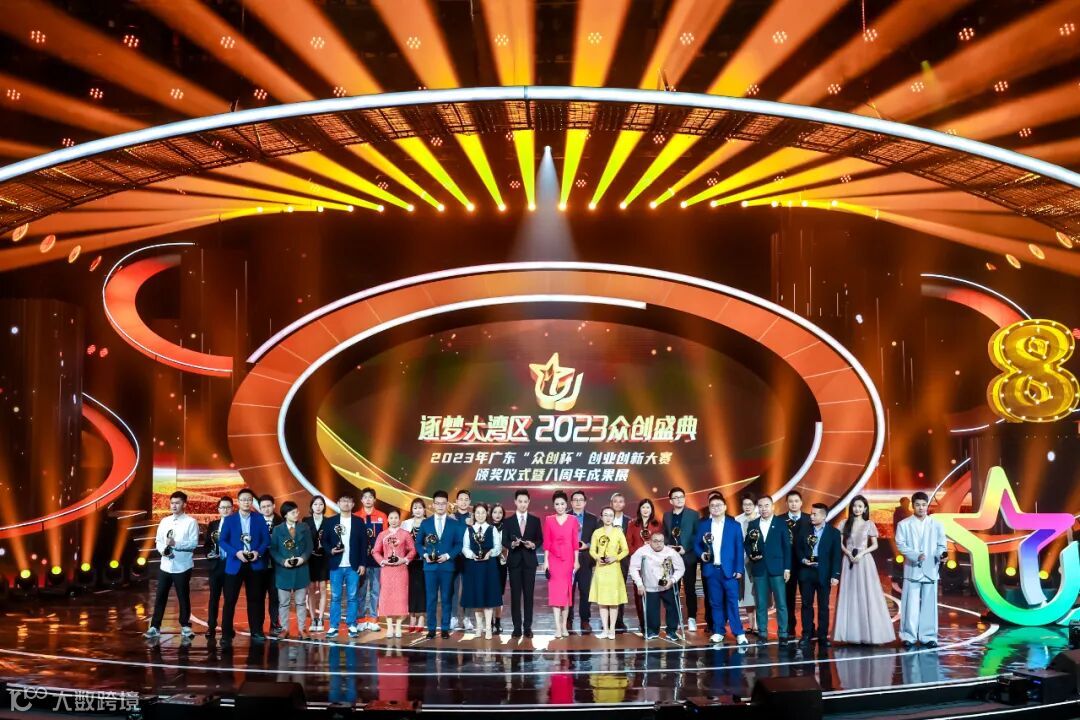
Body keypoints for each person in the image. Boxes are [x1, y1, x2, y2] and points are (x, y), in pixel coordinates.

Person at [834, 495, 895, 645]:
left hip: (864, 561)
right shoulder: (844, 523)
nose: (857, 509)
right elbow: (839, 543)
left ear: (865, 508)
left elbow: (875, 545)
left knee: (866, 593)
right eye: (855, 506)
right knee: (849, 594)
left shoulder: (869, 524)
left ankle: (870, 633)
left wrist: (861, 553)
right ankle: (850, 634)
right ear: (851, 507)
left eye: (860, 506)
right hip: (848, 560)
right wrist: (848, 553)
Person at [218, 488, 272, 644]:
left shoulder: (259, 518)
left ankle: (256, 630)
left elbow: (266, 540)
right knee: (230, 600)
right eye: (243, 500)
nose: (246, 502)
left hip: (255, 564)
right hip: (235, 563)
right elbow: (222, 541)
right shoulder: (230, 520)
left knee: (256, 599)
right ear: (238, 502)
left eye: (249, 499)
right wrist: (236, 553)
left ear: (252, 502)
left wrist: (258, 552)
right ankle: (226, 633)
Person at [694, 493, 748, 646]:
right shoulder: (704, 525)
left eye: (718, 505)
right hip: (712, 570)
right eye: (712, 506)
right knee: (715, 603)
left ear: (725, 507)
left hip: (729, 571)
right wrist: (702, 554)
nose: (715, 508)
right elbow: (696, 544)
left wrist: (739, 569)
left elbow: (739, 548)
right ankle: (718, 631)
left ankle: (739, 632)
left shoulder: (734, 525)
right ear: (709, 508)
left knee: (732, 603)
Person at [895, 491, 947, 648]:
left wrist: (941, 555)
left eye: (924, 505)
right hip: (912, 569)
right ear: (913, 506)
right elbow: (900, 544)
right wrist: (916, 555)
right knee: (910, 605)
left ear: (927, 506)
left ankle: (928, 636)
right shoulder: (904, 524)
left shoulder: (937, 524)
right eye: (918, 505)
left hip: (931, 569)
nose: (921, 508)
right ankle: (908, 636)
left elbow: (941, 545)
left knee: (929, 605)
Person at [145, 491, 199, 640]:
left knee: (183, 596)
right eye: (172, 503)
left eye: (177, 503)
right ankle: (155, 626)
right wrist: (164, 551)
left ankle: (185, 626)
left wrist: (176, 544)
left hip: (183, 566)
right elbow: (159, 541)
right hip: (166, 566)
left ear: (184, 504)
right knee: (160, 596)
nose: (174, 506)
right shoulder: (165, 521)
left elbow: (193, 544)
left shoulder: (191, 522)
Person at [419, 490, 465, 638]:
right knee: (431, 599)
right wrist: (425, 555)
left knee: (446, 598)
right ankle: (431, 629)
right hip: (430, 568)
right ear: (433, 505)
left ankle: (445, 628)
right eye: (437, 503)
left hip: (447, 567)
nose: (440, 506)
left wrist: (447, 556)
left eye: (443, 503)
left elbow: (459, 544)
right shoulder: (425, 523)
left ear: (447, 505)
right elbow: (418, 543)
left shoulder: (454, 524)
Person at [795, 502, 842, 646]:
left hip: (824, 574)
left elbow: (836, 556)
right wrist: (803, 559)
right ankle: (807, 634)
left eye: (815, 514)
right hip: (807, 573)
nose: (811, 516)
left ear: (824, 516)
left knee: (823, 606)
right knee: (806, 605)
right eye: (811, 513)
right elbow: (797, 548)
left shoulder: (834, 533)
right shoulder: (804, 529)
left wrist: (835, 575)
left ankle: (823, 636)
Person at [746, 495, 791, 642]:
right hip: (759, 568)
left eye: (766, 505)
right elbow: (747, 544)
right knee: (761, 603)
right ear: (757, 508)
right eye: (760, 506)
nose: (763, 509)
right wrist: (752, 555)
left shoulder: (781, 523)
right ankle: (762, 633)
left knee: (781, 603)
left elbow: (787, 547)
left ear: (773, 507)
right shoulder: (753, 524)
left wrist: (787, 568)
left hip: (777, 569)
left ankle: (783, 633)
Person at [322, 492, 366, 638]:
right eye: (343, 501)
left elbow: (363, 544)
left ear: (353, 504)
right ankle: (333, 626)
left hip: (353, 565)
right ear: (338, 503)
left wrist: (362, 564)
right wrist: (331, 550)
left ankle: (352, 624)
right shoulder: (330, 521)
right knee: (335, 596)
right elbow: (324, 541)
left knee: (352, 596)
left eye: (349, 501)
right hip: (336, 565)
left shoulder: (359, 522)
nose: (346, 503)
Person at [629, 531, 686, 640]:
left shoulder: (670, 552)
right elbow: (633, 567)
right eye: (655, 541)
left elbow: (680, 568)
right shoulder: (642, 551)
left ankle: (671, 631)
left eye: (661, 541)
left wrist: (672, 580)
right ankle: (652, 630)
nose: (658, 544)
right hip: (650, 586)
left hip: (667, 585)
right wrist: (639, 584)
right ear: (650, 541)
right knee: (652, 610)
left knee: (672, 608)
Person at [269, 501, 313, 640]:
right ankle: (284, 629)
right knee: (283, 603)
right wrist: (283, 561)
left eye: (297, 511)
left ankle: (302, 629)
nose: (296, 514)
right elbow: (273, 549)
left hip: (301, 570)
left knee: (301, 602)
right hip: (284, 571)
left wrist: (302, 559)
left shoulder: (304, 527)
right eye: (293, 512)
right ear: (285, 515)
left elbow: (309, 547)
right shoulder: (278, 529)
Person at [504, 488, 543, 638]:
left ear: (529, 502)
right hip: (514, 562)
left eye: (525, 501)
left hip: (529, 563)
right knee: (515, 596)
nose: (522, 504)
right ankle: (516, 628)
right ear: (515, 502)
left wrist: (533, 545)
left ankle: (527, 627)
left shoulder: (535, 520)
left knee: (528, 596)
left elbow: (540, 539)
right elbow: (504, 540)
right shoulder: (508, 521)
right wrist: (512, 544)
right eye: (520, 501)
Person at [372, 508, 417, 638]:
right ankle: (390, 626)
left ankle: (398, 626)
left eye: (396, 517)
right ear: (387, 520)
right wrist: (383, 561)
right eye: (391, 518)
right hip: (387, 571)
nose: (393, 520)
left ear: (399, 520)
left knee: (401, 598)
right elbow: (375, 551)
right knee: (386, 598)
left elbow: (413, 550)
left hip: (401, 570)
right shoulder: (382, 534)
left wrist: (404, 559)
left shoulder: (405, 534)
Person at [461, 503, 503, 639]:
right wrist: (471, 555)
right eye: (478, 512)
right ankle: (479, 627)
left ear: (487, 514)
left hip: (489, 567)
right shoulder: (469, 530)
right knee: (477, 597)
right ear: (474, 514)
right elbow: (465, 547)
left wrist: (490, 553)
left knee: (488, 597)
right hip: (473, 566)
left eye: (483, 512)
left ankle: (488, 628)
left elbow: (498, 547)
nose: (480, 515)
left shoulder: (492, 529)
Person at [543, 491, 580, 638]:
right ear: (554, 505)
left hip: (568, 559)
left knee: (565, 594)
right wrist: (546, 562)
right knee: (555, 594)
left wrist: (576, 560)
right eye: (557, 504)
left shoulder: (572, 520)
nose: (560, 506)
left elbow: (575, 542)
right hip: (554, 559)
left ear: (566, 504)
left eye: (562, 504)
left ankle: (564, 626)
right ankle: (557, 627)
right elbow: (547, 542)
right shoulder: (549, 520)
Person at [663, 487, 701, 633]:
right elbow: (666, 535)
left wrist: (686, 548)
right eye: (676, 497)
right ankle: (675, 619)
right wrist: (667, 547)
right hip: (672, 558)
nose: (679, 499)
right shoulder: (667, 516)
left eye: (681, 497)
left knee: (690, 589)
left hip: (688, 556)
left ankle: (691, 618)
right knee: (674, 589)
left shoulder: (693, 514)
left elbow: (697, 535)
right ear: (670, 501)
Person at [589, 507, 629, 639]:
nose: (608, 518)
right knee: (602, 601)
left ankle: (612, 630)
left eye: (611, 515)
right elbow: (592, 550)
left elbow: (625, 550)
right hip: (601, 569)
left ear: (613, 517)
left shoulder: (618, 532)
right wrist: (597, 558)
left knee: (613, 601)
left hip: (614, 570)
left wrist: (615, 558)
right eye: (605, 515)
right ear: (601, 517)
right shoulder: (597, 532)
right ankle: (605, 630)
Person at [627, 499, 662, 632]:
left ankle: (654, 624)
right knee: (639, 594)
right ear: (639, 509)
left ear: (651, 509)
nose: (645, 510)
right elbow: (628, 543)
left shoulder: (657, 524)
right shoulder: (632, 524)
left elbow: (661, 543)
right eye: (643, 507)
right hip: (638, 564)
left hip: (654, 564)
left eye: (648, 507)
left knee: (654, 595)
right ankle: (643, 624)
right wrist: (639, 553)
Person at [356, 487, 388, 632]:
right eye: (365, 497)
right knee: (361, 591)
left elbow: (386, 538)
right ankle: (361, 620)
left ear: (374, 499)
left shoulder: (382, 516)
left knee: (376, 591)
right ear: (361, 500)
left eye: (370, 497)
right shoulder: (356, 516)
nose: (368, 500)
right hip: (361, 561)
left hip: (377, 560)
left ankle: (374, 619)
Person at [568, 490, 599, 634]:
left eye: (581, 500)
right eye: (575, 499)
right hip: (568, 559)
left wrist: (588, 545)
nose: (578, 502)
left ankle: (585, 620)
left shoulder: (593, 519)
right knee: (569, 590)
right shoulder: (565, 517)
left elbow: (597, 539)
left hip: (586, 558)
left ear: (585, 502)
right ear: (571, 502)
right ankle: (568, 619)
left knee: (585, 591)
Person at [782, 491, 811, 639]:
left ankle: (809, 629)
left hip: (806, 565)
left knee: (807, 598)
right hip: (787, 566)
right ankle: (789, 627)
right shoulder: (780, 520)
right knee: (788, 598)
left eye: (796, 501)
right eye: (790, 501)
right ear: (786, 503)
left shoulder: (809, 519)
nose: (793, 504)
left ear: (801, 503)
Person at [203, 496, 232, 640]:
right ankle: (211, 626)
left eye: (228, 507)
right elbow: (207, 544)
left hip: (231, 566)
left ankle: (228, 627)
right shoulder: (213, 525)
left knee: (229, 599)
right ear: (218, 509)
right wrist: (208, 554)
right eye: (222, 507)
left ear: (232, 509)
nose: (225, 510)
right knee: (213, 598)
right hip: (216, 566)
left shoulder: (237, 525)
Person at [257, 494, 284, 635]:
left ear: (274, 506)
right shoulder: (255, 522)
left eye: (268, 506)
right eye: (263, 507)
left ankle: (274, 623)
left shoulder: (282, 522)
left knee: (275, 596)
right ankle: (258, 626)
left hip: (276, 565)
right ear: (260, 508)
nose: (266, 509)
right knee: (259, 596)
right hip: (259, 564)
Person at [303, 495, 329, 633]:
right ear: (311, 506)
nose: (318, 507)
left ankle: (321, 618)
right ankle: (313, 618)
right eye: (315, 504)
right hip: (310, 559)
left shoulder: (328, 521)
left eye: (320, 504)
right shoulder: (305, 521)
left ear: (324, 506)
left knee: (323, 588)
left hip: (324, 558)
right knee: (311, 588)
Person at [401, 497, 428, 632]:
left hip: (425, 561)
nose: (417, 510)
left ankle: (421, 617)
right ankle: (412, 617)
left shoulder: (429, 523)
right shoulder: (405, 524)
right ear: (412, 510)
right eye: (415, 508)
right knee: (410, 589)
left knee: (423, 589)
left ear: (424, 510)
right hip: (409, 562)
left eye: (420, 508)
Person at [450, 489, 474, 632]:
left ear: (469, 502)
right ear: (457, 501)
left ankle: (467, 618)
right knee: (453, 589)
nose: (463, 502)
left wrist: (472, 525)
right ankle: (453, 617)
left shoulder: (474, 517)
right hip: (454, 558)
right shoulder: (450, 518)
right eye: (461, 499)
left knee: (468, 589)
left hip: (468, 558)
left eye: (466, 499)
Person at [734, 495, 758, 633]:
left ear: (755, 505)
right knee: (747, 593)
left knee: (759, 593)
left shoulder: (761, 518)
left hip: (759, 561)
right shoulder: (737, 520)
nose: (747, 507)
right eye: (745, 504)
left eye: (750, 504)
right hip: (743, 560)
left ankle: (759, 624)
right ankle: (751, 625)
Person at [610, 492, 632, 633]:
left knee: (620, 589)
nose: (618, 504)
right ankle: (607, 619)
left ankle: (619, 620)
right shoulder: (604, 519)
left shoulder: (629, 522)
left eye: (620, 501)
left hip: (622, 560)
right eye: (615, 501)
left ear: (624, 504)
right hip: (607, 561)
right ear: (611, 503)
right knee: (608, 590)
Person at [489, 502, 509, 634]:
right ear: (491, 514)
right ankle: (489, 623)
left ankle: (498, 622)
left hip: (502, 563)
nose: (497, 515)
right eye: (495, 512)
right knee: (490, 593)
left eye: (500, 512)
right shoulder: (487, 527)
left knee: (499, 595)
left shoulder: (507, 528)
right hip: (489, 563)